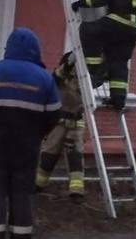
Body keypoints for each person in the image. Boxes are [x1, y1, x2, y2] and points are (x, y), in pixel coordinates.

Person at [0, 28, 61, 239]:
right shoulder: (44, 78)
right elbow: (54, 114)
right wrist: (37, 133)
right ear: (35, 50)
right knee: (22, 194)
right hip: (27, 146)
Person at [35, 51, 85, 203]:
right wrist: (68, 63)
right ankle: (38, 184)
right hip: (59, 123)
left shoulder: (83, 79)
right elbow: (55, 77)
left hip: (76, 124)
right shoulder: (59, 78)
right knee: (49, 155)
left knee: (75, 157)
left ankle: (76, 191)